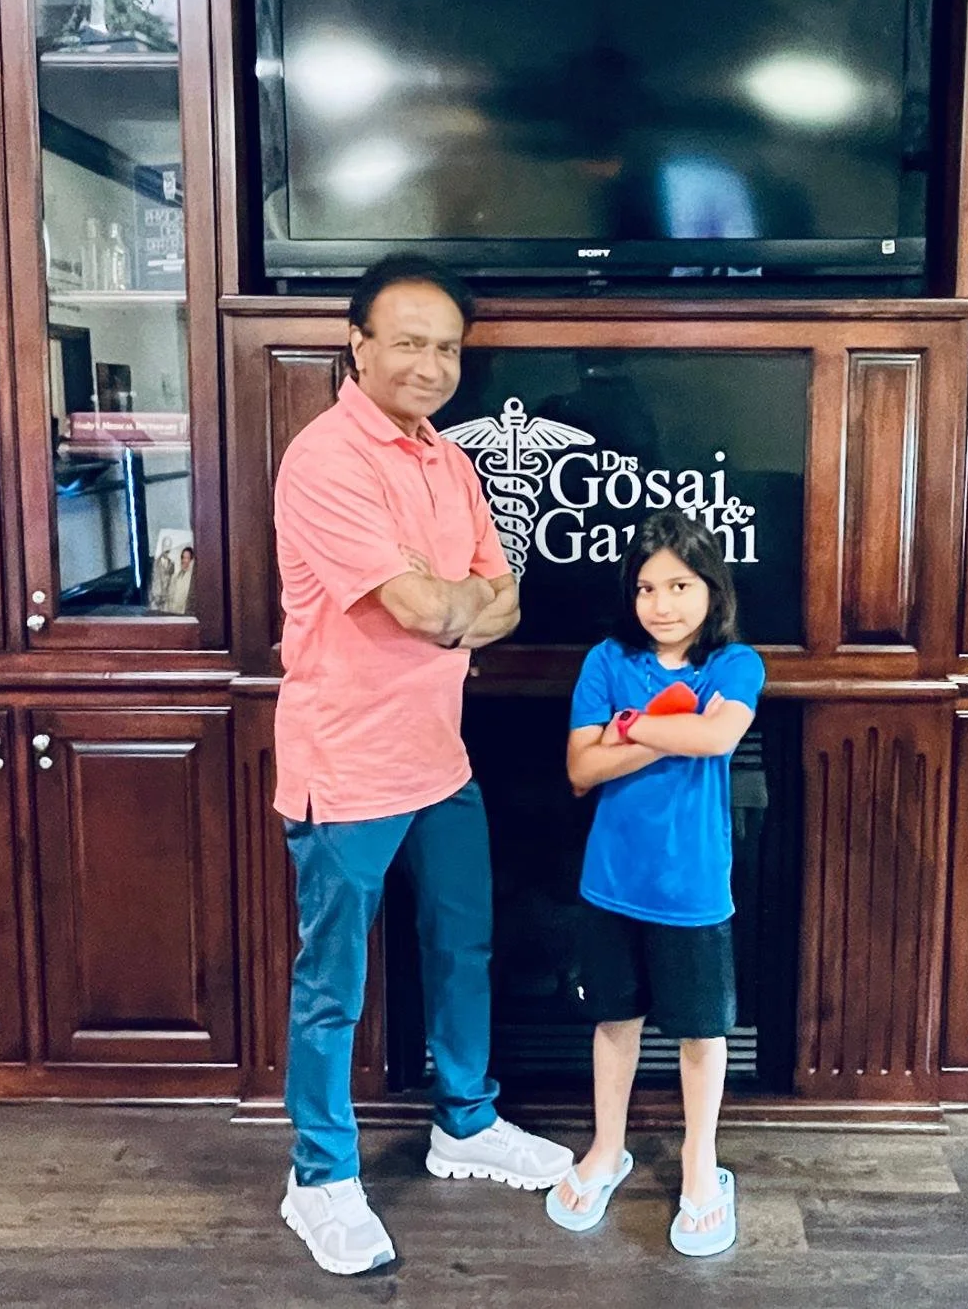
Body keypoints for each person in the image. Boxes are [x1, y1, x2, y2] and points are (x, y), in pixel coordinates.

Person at [273, 254, 572, 1276]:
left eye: (447, 348)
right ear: (357, 346)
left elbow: (504, 595)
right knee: (332, 985)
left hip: (439, 759)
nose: (431, 365)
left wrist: (456, 604)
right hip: (345, 765)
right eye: (408, 342)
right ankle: (319, 1176)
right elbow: (421, 607)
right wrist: (453, 603)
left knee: (463, 949)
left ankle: (466, 1123)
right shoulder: (325, 460)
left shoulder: (449, 460)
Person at [546, 508, 764, 1257]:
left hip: (693, 887)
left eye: (679, 585)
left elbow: (719, 735)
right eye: (646, 587)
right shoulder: (606, 660)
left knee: (702, 1032)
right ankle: (608, 1149)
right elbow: (581, 770)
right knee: (615, 1021)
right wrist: (670, 729)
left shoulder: (734, 663)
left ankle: (702, 1164)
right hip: (610, 882)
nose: (662, 604)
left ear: (711, 589)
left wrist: (630, 726)